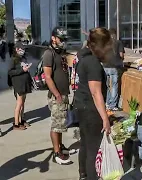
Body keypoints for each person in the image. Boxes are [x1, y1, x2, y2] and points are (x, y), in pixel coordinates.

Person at [74, 27, 112, 180]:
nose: (110, 47)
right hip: (91, 110)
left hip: (82, 108)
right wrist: (105, 118)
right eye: (108, 44)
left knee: (85, 144)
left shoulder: (84, 59)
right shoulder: (94, 63)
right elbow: (96, 93)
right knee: (93, 149)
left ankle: (83, 175)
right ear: (101, 45)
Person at [42, 27, 72, 165]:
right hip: (57, 96)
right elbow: (48, 77)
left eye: (64, 39)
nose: (63, 42)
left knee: (61, 123)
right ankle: (56, 153)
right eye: (61, 39)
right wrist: (57, 94)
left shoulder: (60, 53)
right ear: (53, 38)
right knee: (56, 125)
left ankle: (60, 146)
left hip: (63, 94)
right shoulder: (49, 53)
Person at [8, 42, 32, 130]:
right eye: (21, 49)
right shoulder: (13, 59)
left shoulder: (23, 58)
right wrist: (22, 70)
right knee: (19, 103)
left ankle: (21, 120)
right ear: (17, 49)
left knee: (23, 103)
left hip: (24, 84)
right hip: (18, 84)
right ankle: (16, 123)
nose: (23, 51)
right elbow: (10, 72)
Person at [102, 28, 125, 111]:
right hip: (114, 67)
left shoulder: (105, 43)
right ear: (114, 34)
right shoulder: (118, 42)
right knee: (114, 86)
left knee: (108, 86)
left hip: (105, 66)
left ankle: (107, 103)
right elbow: (121, 55)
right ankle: (113, 105)